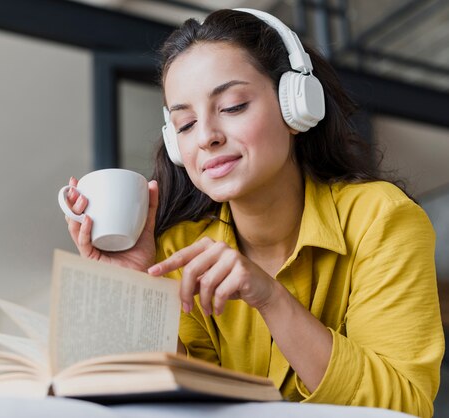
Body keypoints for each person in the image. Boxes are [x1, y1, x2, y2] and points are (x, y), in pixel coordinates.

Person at [64, 8, 444, 417]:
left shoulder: (381, 219)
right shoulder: (179, 249)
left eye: (232, 106)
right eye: (186, 123)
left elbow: (403, 406)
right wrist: (133, 288)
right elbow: (178, 403)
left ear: (297, 105)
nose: (207, 136)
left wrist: (271, 298)